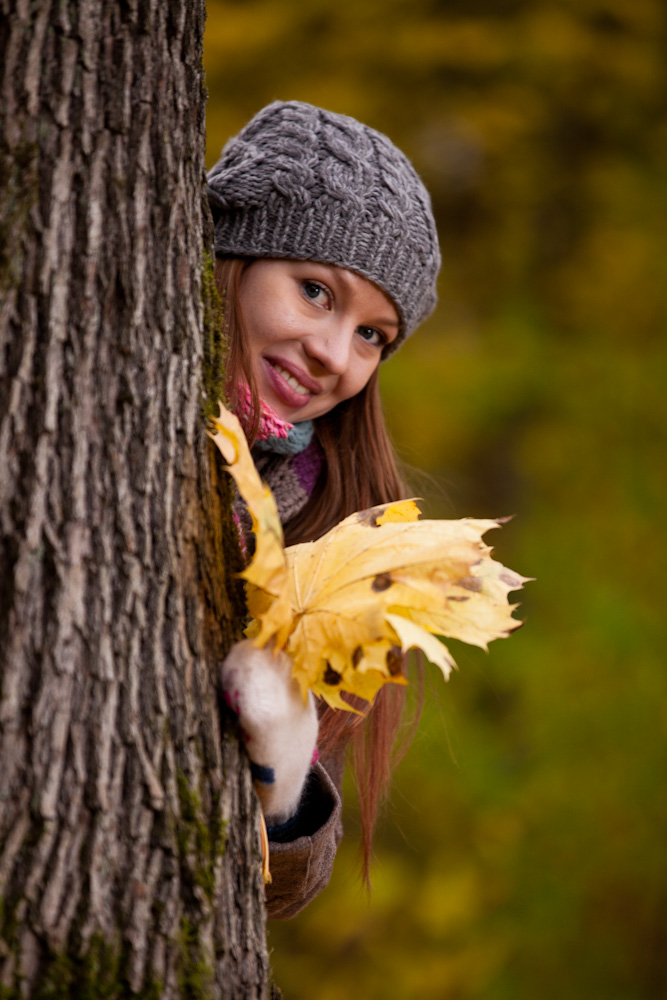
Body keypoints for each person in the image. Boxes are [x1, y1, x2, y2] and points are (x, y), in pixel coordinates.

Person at [207, 100, 440, 919]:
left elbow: (282, 891)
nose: (335, 356)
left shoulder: (322, 524)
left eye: (374, 335)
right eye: (315, 292)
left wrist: (283, 769)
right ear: (232, 253)